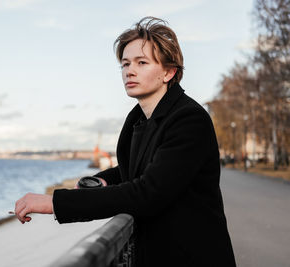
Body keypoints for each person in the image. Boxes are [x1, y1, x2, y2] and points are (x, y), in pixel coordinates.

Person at [14, 17, 236, 266]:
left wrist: (54, 202)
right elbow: (136, 168)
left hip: (192, 256)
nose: (129, 71)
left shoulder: (189, 119)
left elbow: (148, 192)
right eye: (125, 63)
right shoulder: (139, 118)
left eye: (142, 63)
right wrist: (104, 179)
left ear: (168, 72)